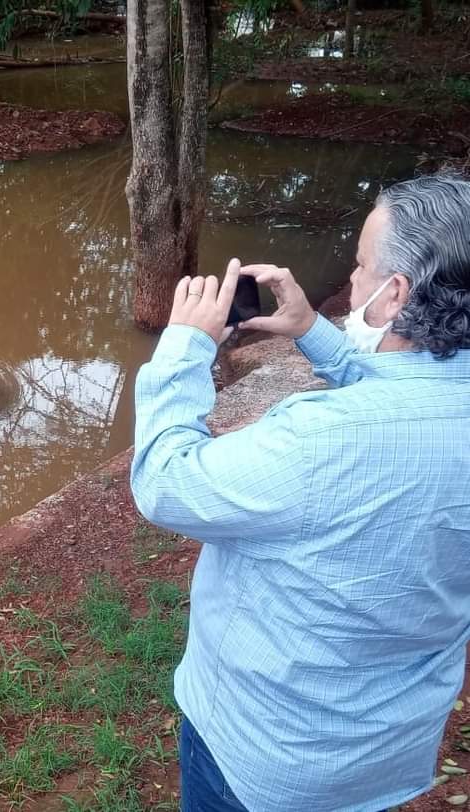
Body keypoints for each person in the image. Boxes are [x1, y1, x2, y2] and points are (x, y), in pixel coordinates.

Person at [130, 174, 470, 812]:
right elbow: (406, 390)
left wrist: (184, 347)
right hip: (389, 747)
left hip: (269, 756)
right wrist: (312, 328)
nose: (354, 276)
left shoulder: (323, 441)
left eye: (362, 266)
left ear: (396, 294)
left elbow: (165, 481)